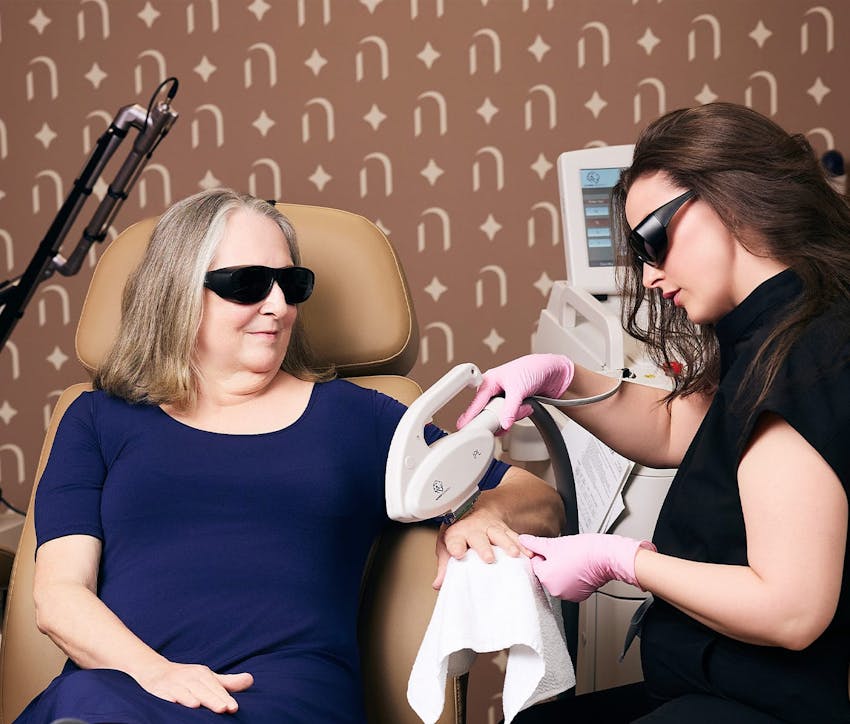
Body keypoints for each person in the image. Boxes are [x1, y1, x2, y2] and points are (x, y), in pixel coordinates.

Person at [17, 189, 564, 723]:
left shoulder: (360, 419)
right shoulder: (95, 419)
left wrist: (486, 513)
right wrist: (158, 674)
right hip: (122, 686)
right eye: (248, 284)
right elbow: (60, 596)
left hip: (287, 697)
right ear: (176, 292)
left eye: (291, 283)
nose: (277, 305)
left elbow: (536, 497)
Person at [458, 103, 850, 723]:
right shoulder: (770, 327)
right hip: (709, 686)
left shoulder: (803, 358)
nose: (647, 272)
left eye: (653, 237)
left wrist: (625, 561)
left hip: (763, 703)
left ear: (733, 198)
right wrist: (562, 377)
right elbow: (679, 428)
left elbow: (793, 612)